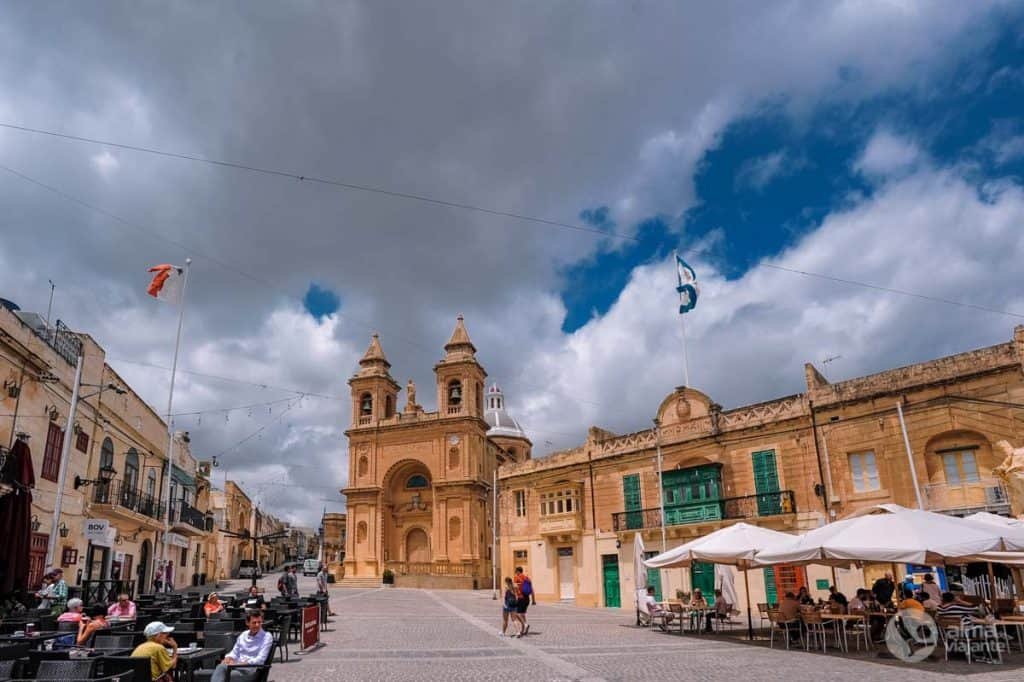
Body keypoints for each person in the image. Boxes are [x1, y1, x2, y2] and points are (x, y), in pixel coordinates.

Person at [210, 611, 273, 682]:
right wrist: (228, 658)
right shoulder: (243, 635)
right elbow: (234, 652)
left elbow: (260, 660)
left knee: (223, 674)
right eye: (254, 622)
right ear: (247, 623)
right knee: (221, 666)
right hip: (236, 666)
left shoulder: (266, 636)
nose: (257, 625)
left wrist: (239, 663)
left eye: (259, 622)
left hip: (251, 669)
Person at [513, 566, 532, 636]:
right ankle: (523, 629)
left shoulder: (516, 578)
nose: (515, 573)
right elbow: (532, 589)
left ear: (518, 571)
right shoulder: (527, 578)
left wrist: (514, 597)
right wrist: (534, 600)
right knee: (522, 614)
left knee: (516, 613)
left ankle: (525, 624)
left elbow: (515, 588)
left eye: (516, 571)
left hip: (521, 598)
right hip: (527, 598)